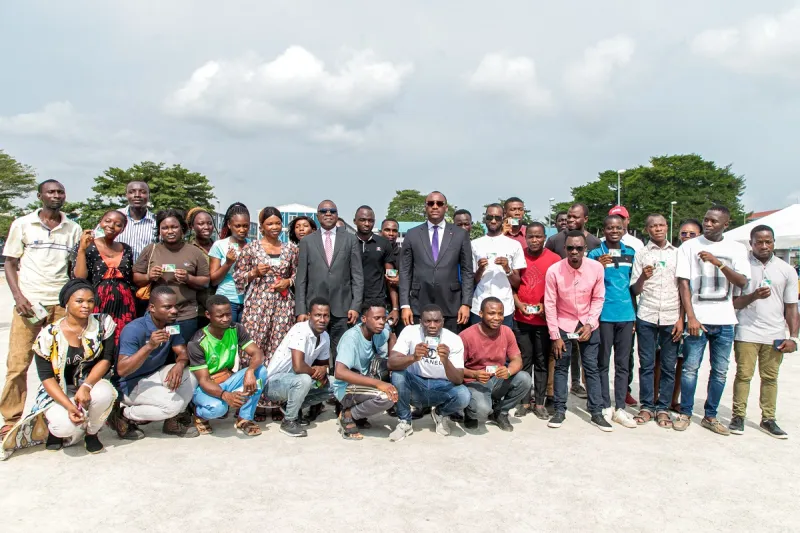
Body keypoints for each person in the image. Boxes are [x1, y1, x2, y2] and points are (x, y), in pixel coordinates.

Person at [0, 179, 82, 438]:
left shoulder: (73, 228)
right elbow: (11, 263)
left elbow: (74, 267)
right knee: (18, 363)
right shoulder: (23, 224)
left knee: (59, 365)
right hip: (30, 304)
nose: (56, 195)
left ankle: (51, 419)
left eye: (60, 191)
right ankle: (10, 419)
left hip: (61, 305)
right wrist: (18, 296)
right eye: (51, 192)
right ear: (40, 196)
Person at [1, 280, 117, 459]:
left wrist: (86, 386)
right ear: (66, 303)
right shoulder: (48, 335)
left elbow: (106, 359)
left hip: (90, 382)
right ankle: (56, 429)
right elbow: (46, 377)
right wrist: (69, 406)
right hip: (59, 390)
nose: (86, 306)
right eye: (79, 301)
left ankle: (92, 433)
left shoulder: (103, 323)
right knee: (64, 427)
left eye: (90, 301)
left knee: (105, 394)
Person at [674, 206, 749, 435]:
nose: (707, 224)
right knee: (689, 369)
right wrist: (691, 318)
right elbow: (683, 284)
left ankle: (710, 415)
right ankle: (686, 412)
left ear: (726, 224)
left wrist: (719, 263)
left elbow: (742, 282)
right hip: (699, 320)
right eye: (706, 220)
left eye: (714, 221)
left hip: (725, 320)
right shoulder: (689, 246)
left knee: (720, 371)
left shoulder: (736, 248)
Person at [730, 225, 799, 438]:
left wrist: (793, 337)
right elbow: (735, 302)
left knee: (770, 378)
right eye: (758, 241)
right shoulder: (742, 267)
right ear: (751, 244)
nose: (764, 245)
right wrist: (754, 296)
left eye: (768, 241)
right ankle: (738, 416)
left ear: (774, 242)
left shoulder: (786, 270)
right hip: (747, 331)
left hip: (775, 333)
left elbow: (791, 306)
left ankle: (768, 418)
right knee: (743, 375)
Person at [108, 286, 199, 439]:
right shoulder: (134, 329)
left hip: (154, 375)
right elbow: (122, 370)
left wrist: (179, 364)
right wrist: (149, 346)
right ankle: (123, 414)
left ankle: (172, 422)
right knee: (173, 405)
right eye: (167, 307)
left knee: (190, 374)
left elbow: (182, 352)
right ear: (152, 308)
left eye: (175, 306)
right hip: (130, 383)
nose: (174, 311)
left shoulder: (171, 326)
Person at [544, 231, 608, 431]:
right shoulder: (554, 271)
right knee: (561, 367)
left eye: (579, 248)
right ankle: (559, 410)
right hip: (563, 323)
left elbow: (598, 298)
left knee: (591, 367)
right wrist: (555, 336)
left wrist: (589, 324)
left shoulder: (596, 268)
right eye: (570, 248)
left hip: (588, 322)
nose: (574, 252)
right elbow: (550, 303)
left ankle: (596, 411)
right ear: (565, 249)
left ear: (585, 249)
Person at [295, 200, 364, 365]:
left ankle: (339, 387)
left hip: (343, 309)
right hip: (315, 309)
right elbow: (301, 279)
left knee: (341, 353)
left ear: (337, 215)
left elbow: (357, 276)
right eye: (324, 211)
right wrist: (301, 310)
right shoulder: (307, 242)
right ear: (318, 216)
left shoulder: (350, 240)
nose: (328, 214)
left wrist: (355, 306)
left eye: (332, 211)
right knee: (314, 353)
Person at [188, 295, 268, 437]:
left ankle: (244, 419)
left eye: (228, 314)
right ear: (208, 315)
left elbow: (257, 353)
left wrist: (250, 371)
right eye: (220, 316)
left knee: (260, 372)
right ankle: (199, 414)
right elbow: (204, 381)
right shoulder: (197, 342)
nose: (225, 319)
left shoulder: (236, 329)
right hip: (206, 387)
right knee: (219, 409)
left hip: (228, 380)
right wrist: (225, 395)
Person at [630, 214, 682, 429]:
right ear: (647, 229)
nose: (657, 229)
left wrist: (681, 319)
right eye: (653, 226)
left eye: (661, 225)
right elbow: (634, 289)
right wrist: (643, 276)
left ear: (667, 227)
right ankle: (647, 406)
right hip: (647, 315)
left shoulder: (678, 254)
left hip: (672, 315)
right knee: (647, 364)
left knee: (669, 365)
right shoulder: (641, 254)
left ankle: (663, 408)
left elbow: (683, 288)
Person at [388, 304, 469, 440]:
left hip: (441, 386)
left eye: (437, 321)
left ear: (443, 322)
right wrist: (413, 357)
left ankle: (440, 414)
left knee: (464, 395)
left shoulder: (454, 339)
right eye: (427, 321)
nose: (432, 325)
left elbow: (458, 379)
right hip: (416, 384)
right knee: (398, 375)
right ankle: (404, 422)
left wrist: (445, 361)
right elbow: (391, 363)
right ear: (420, 322)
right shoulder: (410, 331)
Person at [587, 215, 638, 429]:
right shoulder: (595, 253)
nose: (614, 231)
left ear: (624, 228)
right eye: (609, 227)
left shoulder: (631, 253)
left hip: (626, 315)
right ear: (604, 230)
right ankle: (604, 404)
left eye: (617, 227)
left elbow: (634, 287)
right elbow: (588, 282)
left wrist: (635, 314)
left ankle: (620, 408)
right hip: (604, 315)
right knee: (602, 362)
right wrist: (597, 265)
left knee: (623, 363)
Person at [400, 191, 474, 333]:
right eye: (431, 203)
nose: (435, 206)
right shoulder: (412, 234)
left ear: (446, 208)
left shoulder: (460, 234)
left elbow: (467, 271)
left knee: (449, 349)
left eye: (439, 203)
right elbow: (405, 271)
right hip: (419, 303)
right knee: (420, 349)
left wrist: (466, 303)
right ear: (425, 207)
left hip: (451, 305)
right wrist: (405, 305)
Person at [133, 209, 210, 343]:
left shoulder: (194, 252)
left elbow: (205, 281)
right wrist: (149, 277)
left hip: (186, 315)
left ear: (182, 229)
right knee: (157, 354)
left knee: (183, 355)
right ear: (159, 231)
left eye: (174, 227)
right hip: (158, 317)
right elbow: (136, 278)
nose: (170, 231)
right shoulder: (151, 250)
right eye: (165, 228)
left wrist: (188, 278)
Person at [234, 207, 298, 362]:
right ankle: (250, 378)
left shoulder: (291, 249)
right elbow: (238, 276)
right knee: (254, 338)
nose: (274, 227)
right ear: (262, 226)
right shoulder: (251, 248)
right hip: (258, 302)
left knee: (279, 340)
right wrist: (254, 272)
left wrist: (288, 282)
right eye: (270, 224)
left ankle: (275, 380)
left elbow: (298, 273)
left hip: (283, 303)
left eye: (277, 223)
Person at [265, 297, 333, 437]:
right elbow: (298, 366)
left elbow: (324, 365)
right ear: (309, 316)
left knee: (335, 384)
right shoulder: (300, 330)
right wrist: (317, 371)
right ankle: (289, 421)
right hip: (274, 384)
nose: (322, 319)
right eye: (317, 315)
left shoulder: (325, 336)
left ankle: (289, 408)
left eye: (326, 315)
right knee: (304, 379)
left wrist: (323, 371)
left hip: (296, 380)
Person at [459, 298, 530, 431]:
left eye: (500, 313)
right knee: (482, 410)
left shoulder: (507, 331)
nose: (497, 318)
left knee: (524, 379)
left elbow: (517, 360)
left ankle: (500, 413)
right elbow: (454, 368)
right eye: (491, 313)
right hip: (474, 381)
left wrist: (508, 371)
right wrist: (474, 374)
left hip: (496, 379)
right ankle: (469, 412)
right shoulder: (466, 336)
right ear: (481, 314)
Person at [513, 222, 560, 419]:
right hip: (522, 318)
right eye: (531, 236)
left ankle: (539, 403)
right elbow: (513, 286)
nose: (534, 240)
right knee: (525, 360)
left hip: (543, 320)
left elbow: (559, 289)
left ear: (544, 237)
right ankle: (524, 401)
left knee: (542, 361)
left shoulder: (554, 259)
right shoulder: (519, 256)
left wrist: (546, 307)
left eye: (538, 236)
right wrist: (518, 304)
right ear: (526, 237)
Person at [332, 301, 396, 440]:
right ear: (364, 319)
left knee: (393, 385)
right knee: (388, 396)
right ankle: (347, 415)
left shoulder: (378, 332)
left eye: (384, 318)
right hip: (345, 387)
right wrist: (378, 383)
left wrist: (391, 359)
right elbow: (340, 372)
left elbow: (391, 336)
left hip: (362, 382)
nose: (381, 322)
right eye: (376, 318)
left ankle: (356, 413)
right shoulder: (351, 338)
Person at [72, 210, 136, 343]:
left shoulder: (126, 249)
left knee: (122, 338)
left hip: (124, 303)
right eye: (107, 221)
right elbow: (80, 277)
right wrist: (82, 250)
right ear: (100, 222)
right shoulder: (88, 246)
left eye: (118, 224)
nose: (111, 226)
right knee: (97, 338)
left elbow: (130, 277)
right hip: (97, 300)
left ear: (123, 229)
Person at [470, 204, 525, 326]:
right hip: (479, 306)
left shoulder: (514, 245)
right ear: (485, 218)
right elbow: (472, 281)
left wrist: (507, 269)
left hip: (504, 308)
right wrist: (480, 269)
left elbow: (517, 283)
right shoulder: (474, 244)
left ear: (503, 218)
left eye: (497, 217)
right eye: (490, 217)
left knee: (503, 344)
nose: (493, 221)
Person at [669, 218, 703, 410]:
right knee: (662, 359)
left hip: (694, 318)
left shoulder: (702, 257)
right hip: (672, 315)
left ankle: (675, 400)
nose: (687, 237)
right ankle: (660, 399)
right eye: (684, 233)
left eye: (692, 234)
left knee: (684, 361)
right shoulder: (674, 254)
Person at [353, 206, 399, 327]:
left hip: (377, 303)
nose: (367, 223)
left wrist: (395, 308)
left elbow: (391, 278)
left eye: (370, 220)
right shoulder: (348, 242)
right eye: (362, 220)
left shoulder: (384, 243)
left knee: (381, 343)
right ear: (355, 221)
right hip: (352, 304)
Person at [209, 202, 251, 322]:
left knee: (244, 338)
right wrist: (227, 263)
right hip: (226, 300)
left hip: (249, 301)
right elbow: (213, 280)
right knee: (227, 336)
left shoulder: (253, 246)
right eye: (237, 226)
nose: (242, 230)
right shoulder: (219, 245)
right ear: (229, 224)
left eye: (245, 226)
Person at [116, 181, 156, 261]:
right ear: (126, 195)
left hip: (145, 272)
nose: (137, 195)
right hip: (116, 271)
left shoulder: (157, 222)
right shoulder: (113, 217)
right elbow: (98, 241)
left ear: (149, 196)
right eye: (131, 192)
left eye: (143, 192)